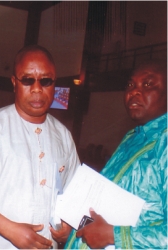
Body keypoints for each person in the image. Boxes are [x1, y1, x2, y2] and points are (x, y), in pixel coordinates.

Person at [0, 45, 80, 249]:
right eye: (28, 80)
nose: (37, 88)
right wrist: (12, 231)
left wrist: (68, 226)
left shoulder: (63, 135)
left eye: (46, 81)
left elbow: (73, 192)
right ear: (14, 83)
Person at [65, 60, 167, 249]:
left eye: (147, 84)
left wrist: (114, 235)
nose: (134, 92)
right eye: (130, 85)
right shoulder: (132, 137)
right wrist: (74, 228)